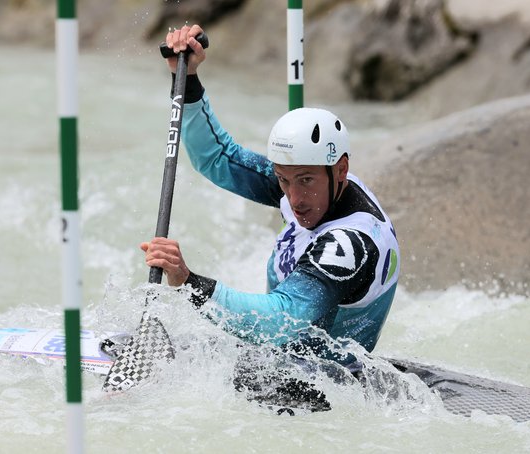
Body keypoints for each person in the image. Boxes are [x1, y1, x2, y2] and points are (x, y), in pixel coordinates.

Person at [141, 25, 400, 399]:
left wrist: (189, 281)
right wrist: (188, 79)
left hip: (321, 388)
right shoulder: (312, 181)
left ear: (340, 169)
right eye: (283, 180)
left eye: (306, 181)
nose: (294, 199)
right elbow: (218, 158)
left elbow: (282, 322)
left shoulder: (351, 245)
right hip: (272, 359)